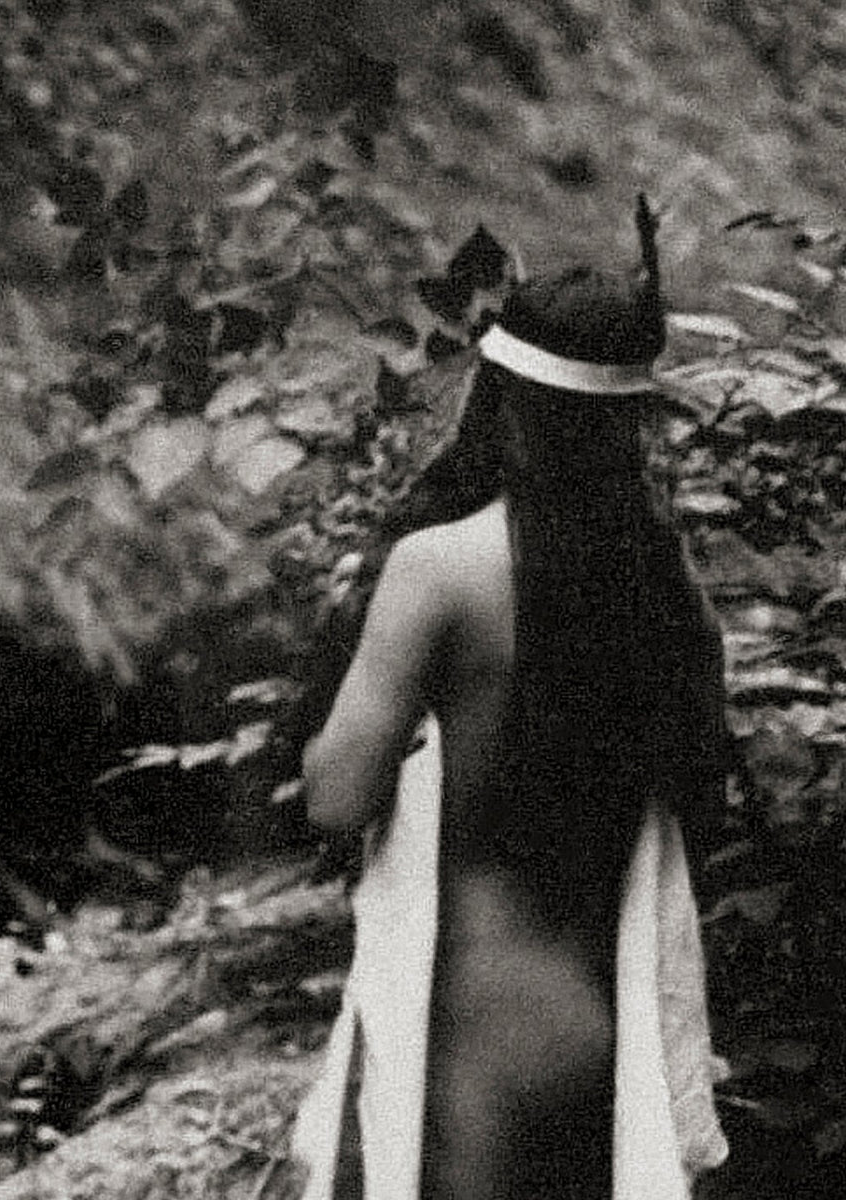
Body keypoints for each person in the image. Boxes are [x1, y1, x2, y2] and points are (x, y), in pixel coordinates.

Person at [300, 199, 728, 1200]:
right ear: (630, 421)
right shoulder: (665, 580)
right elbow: (699, 780)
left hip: (473, 1015)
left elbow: (336, 798)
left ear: (503, 401)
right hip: (602, 1016)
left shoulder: (442, 570)